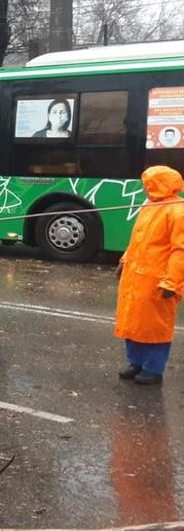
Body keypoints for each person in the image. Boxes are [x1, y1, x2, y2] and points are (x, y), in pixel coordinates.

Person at [114, 165, 184, 385]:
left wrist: (171, 282)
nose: (145, 188)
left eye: (148, 184)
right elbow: (138, 240)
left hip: (158, 279)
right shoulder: (150, 206)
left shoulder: (177, 210)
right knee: (134, 322)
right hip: (136, 277)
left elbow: (180, 251)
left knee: (156, 326)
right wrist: (124, 261)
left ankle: (153, 369)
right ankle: (136, 362)